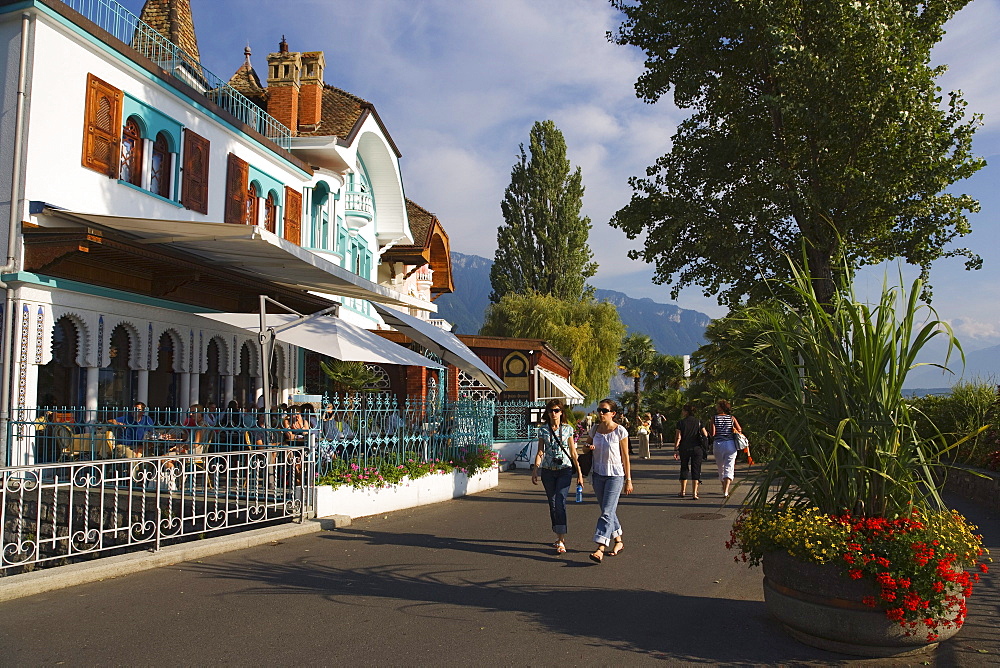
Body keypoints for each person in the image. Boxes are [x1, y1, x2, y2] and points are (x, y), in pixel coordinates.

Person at [531, 399, 584, 555]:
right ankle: (558, 533)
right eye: (550, 411)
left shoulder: (568, 429)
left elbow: (574, 452)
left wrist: (579, 474)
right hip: (548, 470)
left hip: (564, 469)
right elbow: (540, 451)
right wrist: (535, 469)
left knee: (560, 500)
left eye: (556, 410)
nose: (553, 413)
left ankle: (561, 539)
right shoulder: (543, 430)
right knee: (552, 503)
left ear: (561, 412)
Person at [587, 398, 632, 563]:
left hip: (615, 475)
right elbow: (585, 447)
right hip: (598, 474)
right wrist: (588, 448)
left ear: (613, 413)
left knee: (606, 511)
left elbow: (626, 457)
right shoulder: (594, 430)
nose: (601, 413)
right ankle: (618, 541)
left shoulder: (620, 431)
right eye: (599, 410)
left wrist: (628, 479)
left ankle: (600, 547)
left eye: (604, 410)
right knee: (608, 511)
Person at [708, 399, 747, 498]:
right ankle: (726, 490)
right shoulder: (732, 418)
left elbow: (713, 433)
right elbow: (739, 429)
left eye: (718, 406)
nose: (716, 408)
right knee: (729, 466)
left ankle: (723, 486)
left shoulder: (714, 418)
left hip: (718, 444)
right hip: (730, 444)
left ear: (721, 408)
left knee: (720, 467)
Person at [673, 404, 708, 499]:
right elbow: (705, 434)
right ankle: (694, 493)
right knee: (696, 469)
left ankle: (682, 491)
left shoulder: (680, 423)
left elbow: (678, 437)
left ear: (686, 412)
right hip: (697, 448)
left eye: (683, 410)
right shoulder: (699, 422)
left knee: (684, 468)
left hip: (684, 448)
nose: (682, 412)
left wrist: (676, 449)